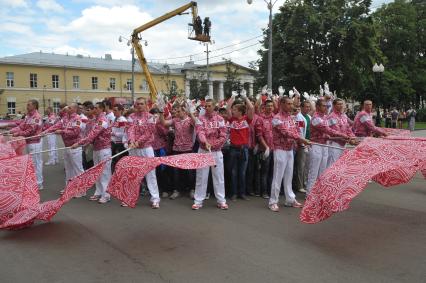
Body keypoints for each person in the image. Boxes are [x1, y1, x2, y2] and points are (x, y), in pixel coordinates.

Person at [268, 97, 310, 212]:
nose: (291, 106)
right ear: (281, 104)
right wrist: (301, 139)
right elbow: (285, 132)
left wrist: (301, 141)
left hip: (290, 149)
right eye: (288, 104)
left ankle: (290, 199)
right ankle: (273, 201)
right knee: (278, 176)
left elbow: (295, 130)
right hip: (280, 150)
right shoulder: (276, 118)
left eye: (292, 104)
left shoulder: (291, 118)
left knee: (288, 176)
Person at [306, 99, 350, 196]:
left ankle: (318, 192)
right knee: (314, 171)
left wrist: (343, 136)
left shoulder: (325, 117)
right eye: (324, 106)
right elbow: (328, 129)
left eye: (327, 106)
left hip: (324, 145)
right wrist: (343, 135)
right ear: (317, 107)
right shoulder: (316, 118)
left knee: (322, 171)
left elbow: (327, 132)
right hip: (317, 145)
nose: (326, 108)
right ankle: (309, 194)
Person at [71, 101, 112, 204]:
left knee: (105, 173)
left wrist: (79, 143)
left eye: (97, 108)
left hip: (104, 149)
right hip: (96, 149)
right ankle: (98, 192)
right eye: (94, 107)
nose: (95, 109)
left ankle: (106, 195)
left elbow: (93, 134)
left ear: (102, 109)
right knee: (97, 172)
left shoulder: (103, 120)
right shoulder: (95, 119)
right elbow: (88, 132)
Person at [192, 99, 228, 210]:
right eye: (205, 106)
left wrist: (213, 144)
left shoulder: (220, 119)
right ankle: (198, 201)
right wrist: (205, 142)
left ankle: (221, 200)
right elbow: (200, 132)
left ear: (214, 107)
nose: (206, 108)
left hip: (216, 151)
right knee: (201, 176)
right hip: (203, 151)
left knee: (218, 176)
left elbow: (223, 135)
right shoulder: (200, 119)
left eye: (209, 106)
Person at [126, 97, 161, 208]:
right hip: (134, 149)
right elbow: (130, 130)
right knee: (133, 173)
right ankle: (131, 197)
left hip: (146, 149)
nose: (139, 106)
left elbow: (148, 132)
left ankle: (155, 198)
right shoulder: (131, 117)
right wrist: (131, 141)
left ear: (146, 105)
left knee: (150, 174)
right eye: (137, 104)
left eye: (141, 104)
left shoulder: (151, 117)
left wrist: (138, 141)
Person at [43, 103, 84, 195]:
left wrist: (62, 131)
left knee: (78, 169)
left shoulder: (77, 119)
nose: (66, 109)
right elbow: (56, 126)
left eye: (69, 107)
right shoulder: (65, 118)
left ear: (75, 109)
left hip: (75, 147)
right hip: (66, 147)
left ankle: (81, 189)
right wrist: (45, 132)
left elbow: (75, 132)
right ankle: (69, 187)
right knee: (68, 169)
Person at [159, 102, 196, 200]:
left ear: (185, 111)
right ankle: (176, 190)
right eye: (177, 111)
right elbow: (164, 123)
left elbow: (197, 124)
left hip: (188, 149)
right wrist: (161, 111)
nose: (177, 113)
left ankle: (192, 190)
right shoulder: (175, 120)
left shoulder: (190, 120)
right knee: (176, 172)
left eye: (179, 111)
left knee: (189, 172)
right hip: (176, 149)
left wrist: (191, 112)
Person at [226, 92, 254, 201]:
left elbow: (251, 108)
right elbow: (228, 108)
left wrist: (245, 97)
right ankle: (234, 193)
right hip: (233, 149)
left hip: (244, 149)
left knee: (242, 172)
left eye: (235, 110)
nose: (233, 111)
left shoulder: (247, 120)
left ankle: (242, 193)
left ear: (240, 112)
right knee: (233, 172)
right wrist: (232, 97)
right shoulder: (232, 120)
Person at [10, 100, 44, 190]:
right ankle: (34, 182)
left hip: (35, 143)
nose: (27, 106)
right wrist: (10, 131)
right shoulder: (28, 116)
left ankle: (39, 183)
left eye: (29, 105)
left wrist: (18, 134)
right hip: (29, 142)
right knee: (32, 163)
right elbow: (21, 126)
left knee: (36, 163)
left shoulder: (36, 117)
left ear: (34, 106)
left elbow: (31, 130)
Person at [326, 99, 356, 167]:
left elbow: (348, 128)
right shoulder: (331, 117)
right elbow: (335, 131)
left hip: (343, 143)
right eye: (338, 104)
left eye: (341, 104)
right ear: (333, 105)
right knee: (332, 165)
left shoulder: (344, 116)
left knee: (340, 165)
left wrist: (353, 137)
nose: (341, 106)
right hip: (335, 143)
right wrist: (348, 139)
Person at [255, 99, 275, 198]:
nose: (270, 108)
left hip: (275, 149)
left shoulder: (275, 117)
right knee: (264, 171)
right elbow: (259, 135)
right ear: (264, 107)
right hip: (265, 149)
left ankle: (271, 191)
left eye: (272, 106)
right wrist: (266, 147)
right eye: (268, 106)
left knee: (273, 170)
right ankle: (264, 192)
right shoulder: (260, 119)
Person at [293, 100, 311, 193]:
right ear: (302, 107)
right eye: (306, 106)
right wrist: (302, 143)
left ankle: (305, 183)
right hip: (302, 144)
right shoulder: (299, 117)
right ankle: (299, 185)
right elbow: (299, 131)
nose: (308, 108)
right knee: (301, 166)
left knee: (306, 166)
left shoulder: (308, 117)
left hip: (309, 144)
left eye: (309, 107)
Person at [111, 104, 128, 172]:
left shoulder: (122, 120)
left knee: (119, 162)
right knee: (114, 161)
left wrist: (113, 134)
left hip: (120, 144)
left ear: (120, 111)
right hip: (114, 143)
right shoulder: (114, 119)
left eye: (115, 110)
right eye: (113, 110)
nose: (114, 112)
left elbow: (124, 133)